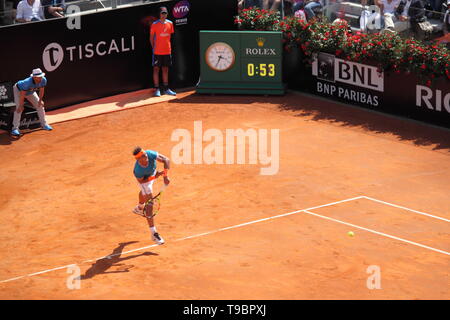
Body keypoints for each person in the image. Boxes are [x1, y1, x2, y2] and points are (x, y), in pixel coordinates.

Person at [132, 146, 170, 245]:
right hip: (144, 180)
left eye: (145, 154)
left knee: (144, 194)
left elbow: (166, 160)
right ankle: (154, 233)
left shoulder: (149, 153)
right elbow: (142, 181)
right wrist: (154, 177)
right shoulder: (138, 170)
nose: (146, 156)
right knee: (149, 204)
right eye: (144, 156)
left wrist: (165, 176)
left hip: (152, 173)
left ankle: (139, 207)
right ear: (138, 159)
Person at [11, 68, 53, 137]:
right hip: (19, 91)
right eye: (38, 77)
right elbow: (22, 94)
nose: (40, 78)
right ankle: (14, 129)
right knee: (19, 109)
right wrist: (21, 105)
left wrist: (40, 100)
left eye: (41, 76)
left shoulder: (43, 80)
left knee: (40, 106)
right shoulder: (27, 82)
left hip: (30, 92)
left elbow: (41, 90)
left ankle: (44, 125)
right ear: (34, 77)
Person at [150, 6, 176, 97]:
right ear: (159, 14)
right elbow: (151, 38)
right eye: (162, 13)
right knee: (156, 69)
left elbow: (169, 37)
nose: (164, 15)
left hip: (167, 51)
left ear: (167, 14)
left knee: (165, 69)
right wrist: (154, 49)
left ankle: (166, 89)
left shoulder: (170, 23)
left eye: (165, 13)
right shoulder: (154, 24)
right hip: (157, 52)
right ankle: (157, 89)